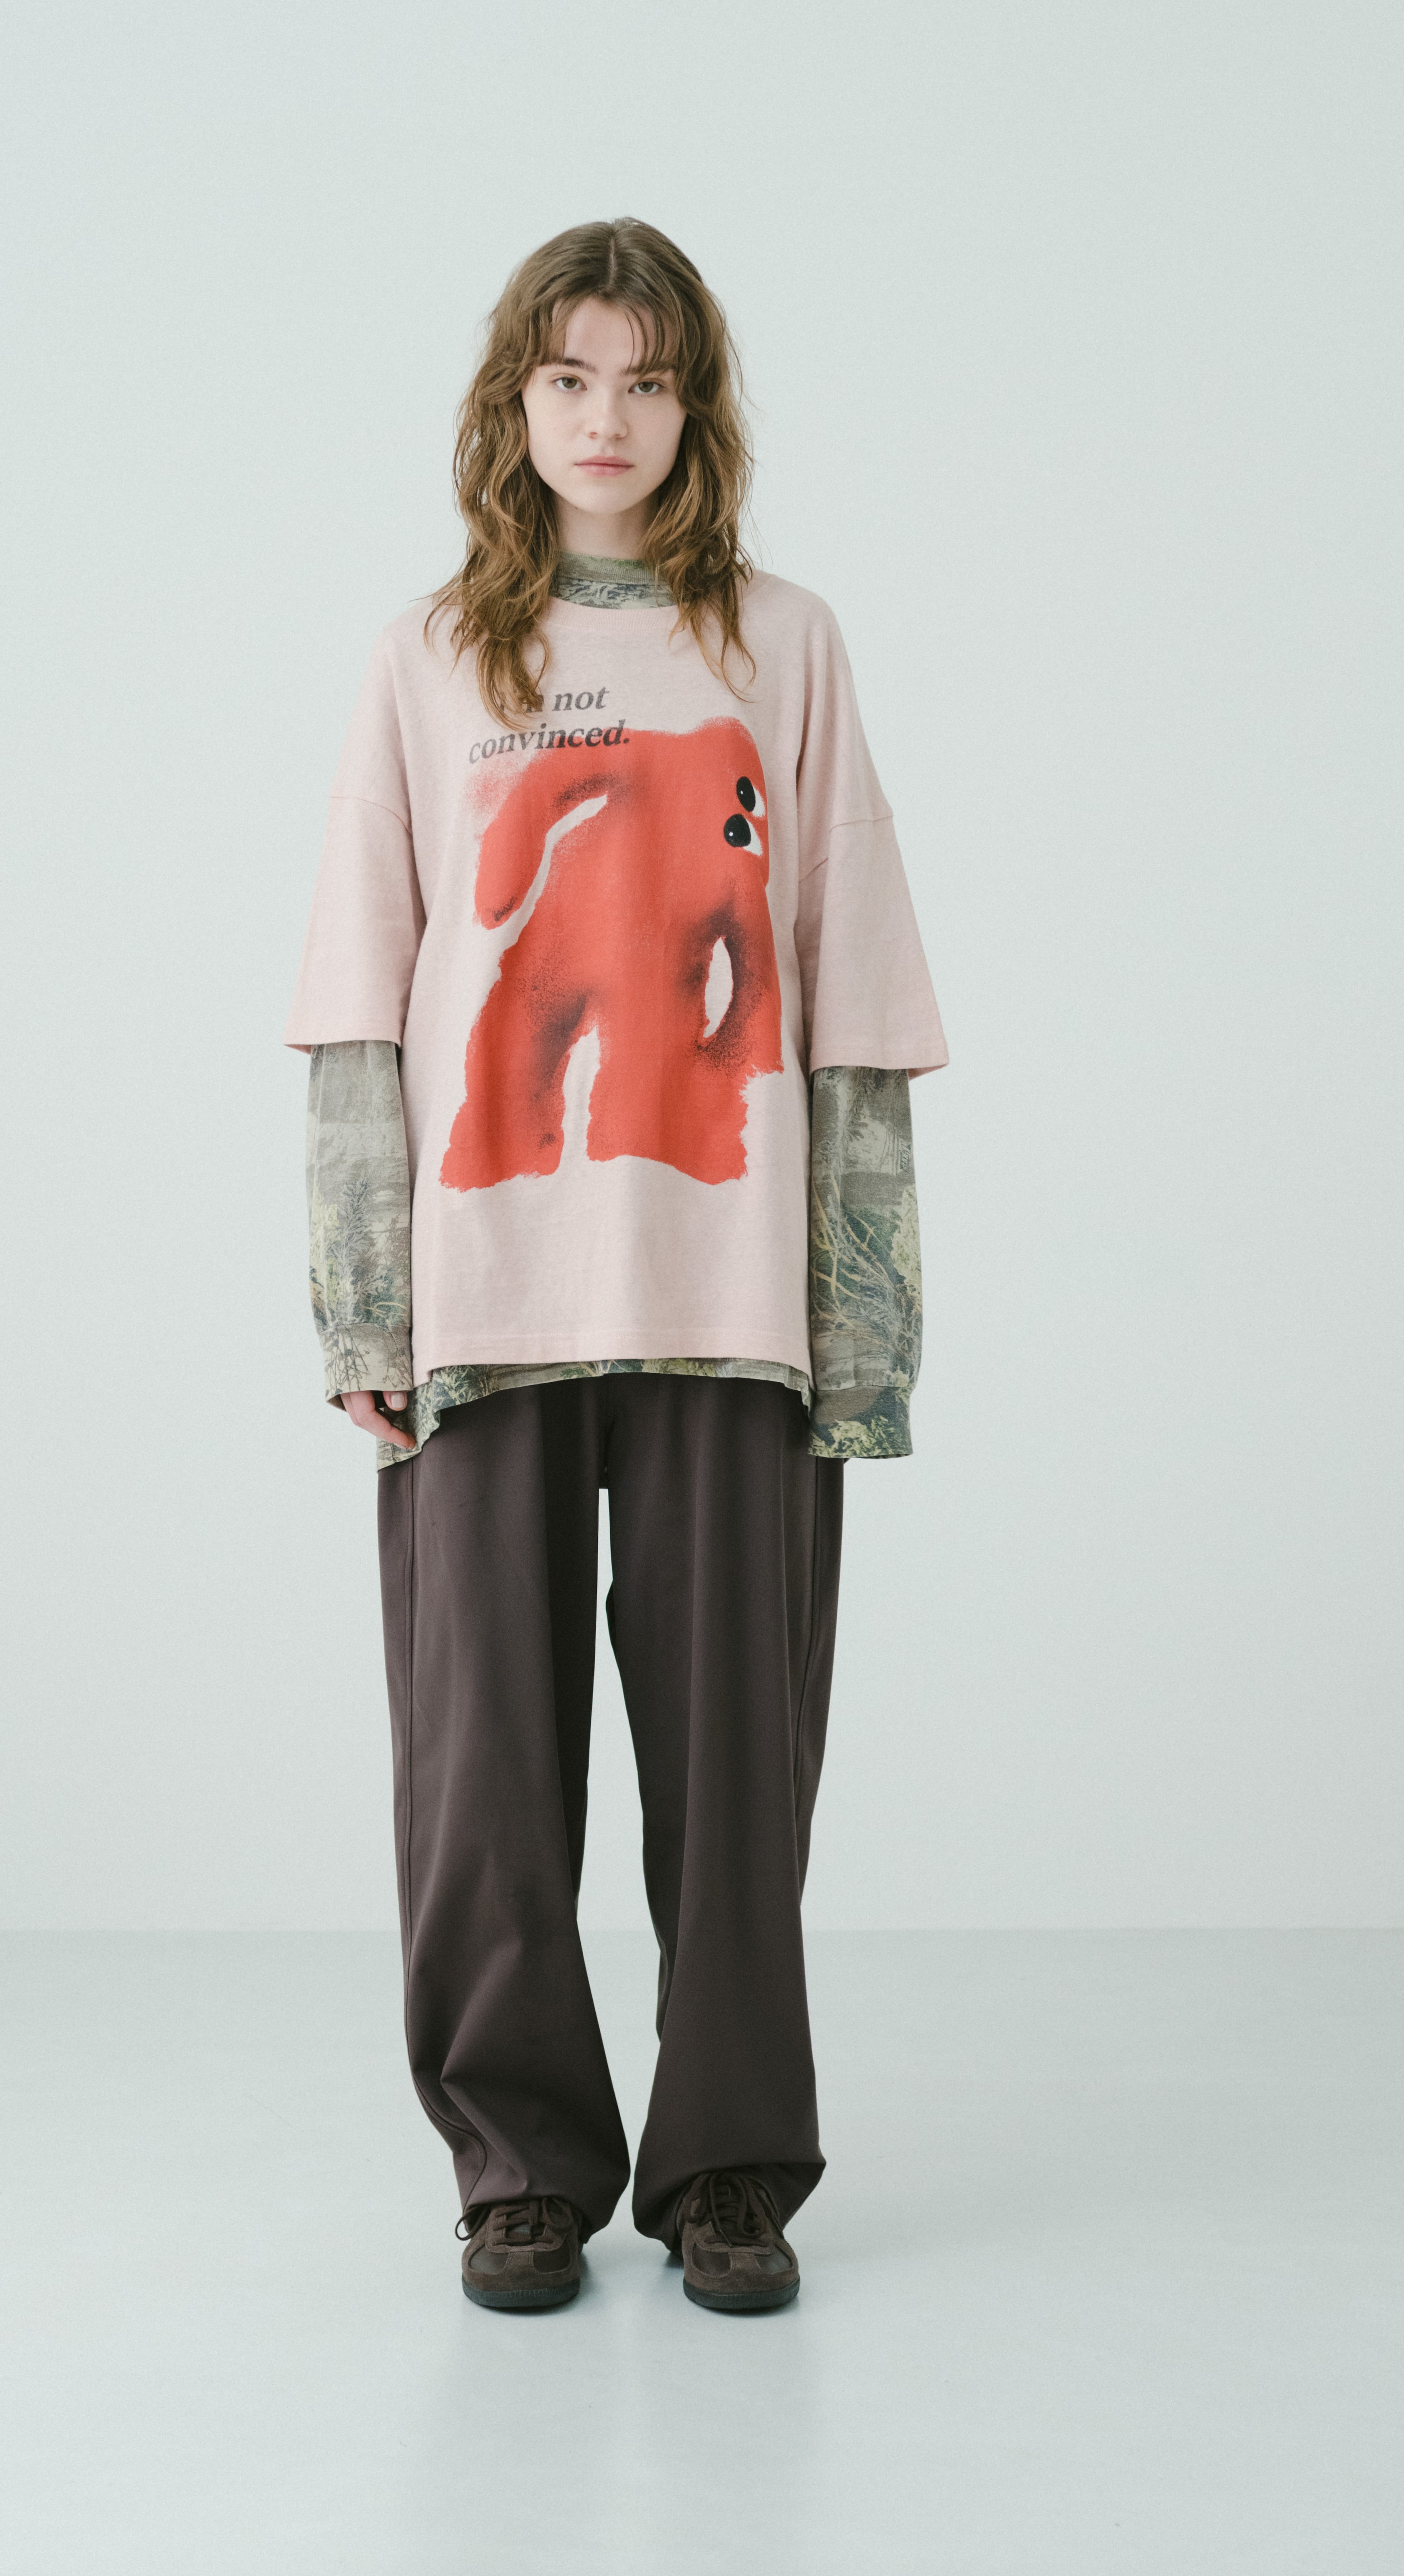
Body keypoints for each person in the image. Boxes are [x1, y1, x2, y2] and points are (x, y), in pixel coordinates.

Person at [284, 217, 948, 2316]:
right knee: (480, 1771)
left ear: (693, 408)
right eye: (567, 378)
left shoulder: (783, 644)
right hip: (481, 1298)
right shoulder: (427, 657)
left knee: (735, 1768)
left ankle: (726, 2169)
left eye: (644, 381)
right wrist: (360, 1295)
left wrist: (863, 1311)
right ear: (514, 402)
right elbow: (360, 999)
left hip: (729, 1300)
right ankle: (520, 2171)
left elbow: (850, 994)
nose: (604, 418)